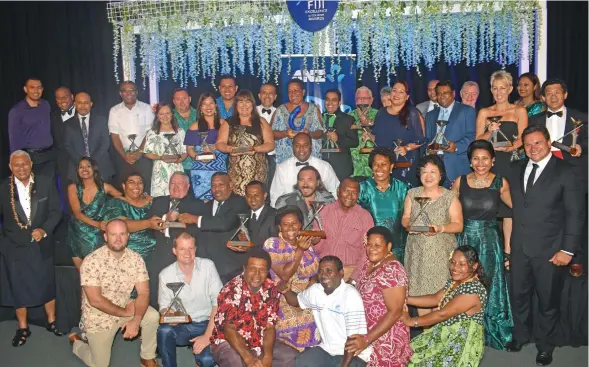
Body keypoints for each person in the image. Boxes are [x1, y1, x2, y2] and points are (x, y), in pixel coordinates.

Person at [506, 125, 585, 366]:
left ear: (549, 142)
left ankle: (545, 344)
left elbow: (576, 214)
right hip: (519, 248)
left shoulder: (567, 171)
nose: (533, 148)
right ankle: (521, 335)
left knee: (548, 300)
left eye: (538, 143)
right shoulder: (515, 169)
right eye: (528, 144)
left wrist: (568, 250)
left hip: (551, 250)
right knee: (518, 296)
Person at [67, 219, 159, 367]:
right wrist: (124, 313)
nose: (118, 239)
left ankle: (147, 357)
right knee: (99, 364)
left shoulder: (136, 259)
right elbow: (95, 300)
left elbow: (144, 292)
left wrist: (136, 320)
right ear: (105, 236)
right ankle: (77, 343)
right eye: (113, 234)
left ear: (128, 236)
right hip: (98, 317)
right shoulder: (91, 261)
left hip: (124, 306)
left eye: (122, 234)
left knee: (152, 316)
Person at [451, 140, 514, 350]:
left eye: (485, 158)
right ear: (470, 162)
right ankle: (464, 331)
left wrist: (508, 248)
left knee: (490, 286)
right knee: (464, 286)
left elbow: (516, 210)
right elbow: (450, 211)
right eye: (475, 158)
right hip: (465, 240)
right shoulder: (460, 182)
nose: (480, 163)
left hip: (489, 242)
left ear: (493, 160)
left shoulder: (500, 182)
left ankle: (491, 331)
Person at [0, 150, 63, 346]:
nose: (21, 168)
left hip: (41, 243)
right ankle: (22, 327)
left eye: (25, 164)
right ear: (10, 167)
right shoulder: (3, 188)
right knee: (19, 288)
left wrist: (44, 230)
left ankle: (52, 322)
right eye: (17, 165)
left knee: (46, 283)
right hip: (15, 247)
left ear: (31, 164)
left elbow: (56, 211)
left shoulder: (45, 182)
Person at [400, 246, 488, 367]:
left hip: (460, 341)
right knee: (410, 355)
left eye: (462, 264)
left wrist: (411, 321)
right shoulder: (456, 281)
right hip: (445, 331)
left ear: (474, 266)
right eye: (453, 262)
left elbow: (443, 313)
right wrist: (404, 299)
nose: (455, 268)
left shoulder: (473, 291)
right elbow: (436, 298)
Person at [281, 256, 372, 367]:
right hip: (328, 350)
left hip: (353, 355)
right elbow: (297, 301)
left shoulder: (350, 295)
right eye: (321, 271)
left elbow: (353, 340)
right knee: (302, 361)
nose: (324, 275)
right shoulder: (316, 291)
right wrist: (286, 291)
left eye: (329, 271)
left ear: (341, 273)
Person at [475, 71, 528, 261]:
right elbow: (477, 141)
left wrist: (512, 146)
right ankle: (487, 250)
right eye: (495, 88)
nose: (499, 92)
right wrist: (489, 131)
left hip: (512, 163)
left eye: (502, 88)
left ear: (510, 89)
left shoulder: (519, 111)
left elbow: (524, 137)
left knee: (509, 210)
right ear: (491, 90)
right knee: (488, 206)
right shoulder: (485, 113)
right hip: (489, 165)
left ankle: (508, 251)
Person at [401, 155, 463, 315]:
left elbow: (458, 225)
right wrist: (409, 226)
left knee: (442, 297)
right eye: (424, 172)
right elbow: (405, 218)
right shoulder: (412, 193)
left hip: (441, 255)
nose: (428, 176)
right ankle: (426, 334)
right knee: (421, 293)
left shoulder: (450, 196)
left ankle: (440, 336)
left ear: (441, 174)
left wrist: (439, 228)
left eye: (432, 172)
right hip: (418, 254)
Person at [345, 226, 413, 367]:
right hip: (367, 330)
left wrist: (366, 339)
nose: (372, 249)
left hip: (384, 338)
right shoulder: (370, 263)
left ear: (389, 247)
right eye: (369, 245)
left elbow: (395, 312)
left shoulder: (393, 271)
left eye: (377, 245)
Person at [262, 206, 321, 363]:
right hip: (284, 299)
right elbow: (284, 275)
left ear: (300, 224)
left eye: (294, 223)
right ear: (279, 227)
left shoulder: (307, 244)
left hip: (308, 297)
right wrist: (300, 251)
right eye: (285, 224)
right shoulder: (273, 245)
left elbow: (314, 273)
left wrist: (312, 287)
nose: (290, 228)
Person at [157, 232, 222, 367]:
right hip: (182, 326)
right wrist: (169, 316)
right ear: (174, 251)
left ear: (195, 249)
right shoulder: (165, 275)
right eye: (182, 249)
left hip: (207, 323)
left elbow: (218, 304)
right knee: (164, 331)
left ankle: (201, 358)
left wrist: (207, 336)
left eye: (190, 248)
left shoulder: (208, 266)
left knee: (206, 360)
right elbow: (163, 306)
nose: (187, 253)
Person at [210, 247, 282, 366]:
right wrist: (249, 359)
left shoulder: (272, 289)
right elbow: (229, 330)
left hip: (258, 342)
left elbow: (269, 327)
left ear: (268, 271)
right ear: (244, 269)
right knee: (235, 360)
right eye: (252, 269)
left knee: (288, 356)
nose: (257, 275)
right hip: (228, 342)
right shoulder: (231, 290)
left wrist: (268, 356)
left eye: (262, 270)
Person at [178, 172, 249, 283]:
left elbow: (225, 223)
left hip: (230, 269)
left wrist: (196, 219)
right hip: (205, 269)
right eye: (213, 185)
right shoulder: (205, 206)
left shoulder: (239, 202)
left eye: (221, 185)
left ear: (230, 186)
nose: (217, 189)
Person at [145, 172, 201, 307]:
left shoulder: (197, 205)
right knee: (155, 292)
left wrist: (182, 224)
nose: (176, 187)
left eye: (180, 183)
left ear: (188, 186)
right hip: (159, 254)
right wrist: (165, 218)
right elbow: (147, 225)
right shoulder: (159, 202)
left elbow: (198, 232)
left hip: (182, 256)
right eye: (172, 183)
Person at [67, 157, 123, 271]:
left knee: (98, 273)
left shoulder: (105, 187)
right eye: (81, 167)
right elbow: (77, 213)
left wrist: (142, 199)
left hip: (96, 235)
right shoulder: (72, 188)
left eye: (88, 166)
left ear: (94, 168)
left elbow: (122, 199)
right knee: (84, 275)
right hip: (77, 233)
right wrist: (97, 224)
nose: (84, 169)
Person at [216, 90, 275, 196]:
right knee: (237, 203)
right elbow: (220, 143)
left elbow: (270, 144)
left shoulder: (261, 122)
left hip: (258, 172)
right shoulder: (227, 122)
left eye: (247, 101)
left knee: (257, 199)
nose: (244, 105)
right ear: (236, 104)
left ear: (252, 104)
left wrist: (256, 149)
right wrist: (230, 149)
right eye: (240, 102)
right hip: (236, 172)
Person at [314, 178, 373, 282]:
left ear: (358, 195)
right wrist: (315, 242)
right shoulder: (324, 212)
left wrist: (353, 279)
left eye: (354, 192)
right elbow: (316, 250)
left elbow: (367, 252)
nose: (349, 196)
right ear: (338, 191)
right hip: (324, 272)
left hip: (350, 271)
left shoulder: (365, 217)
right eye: (345, 191)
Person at [358, 147, 409, 264]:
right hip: (370, 248)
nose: (379, 168)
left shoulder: (403, 188)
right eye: (376, 164)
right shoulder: (362, 188)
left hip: (398, 249)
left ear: (391, 167)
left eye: (384, 164)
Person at [370, 81, 425, 187]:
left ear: (407, 96)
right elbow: (377, 137)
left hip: (406, 166)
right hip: (384, 167)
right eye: (394, 91)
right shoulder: (381, 113)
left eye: (401, 92)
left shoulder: (412, 113)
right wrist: (368, 136)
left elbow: (421, 139)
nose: (396, 94)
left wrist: (407, 148)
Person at [425, 80, 476, 187]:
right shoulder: (430, 115)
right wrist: (428, 149)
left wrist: (456, 146)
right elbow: (428, 139)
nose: (442, 96)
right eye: (439, 93)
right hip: (435, 167)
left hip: (457, 166)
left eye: (445, 93)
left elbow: (472, 136)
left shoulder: (467, 111)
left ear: (453, 94)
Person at [103, 171, 160, 263]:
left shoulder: (151, 203)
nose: (136, 186)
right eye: (131, 182)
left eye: (140, 183)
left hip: (154, 256)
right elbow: (121, 226)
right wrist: (148, 223)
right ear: (124, 186)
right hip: (125, 257)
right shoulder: (116, 203)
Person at [108, 80, 155, 192]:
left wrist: (139, 151)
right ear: (120, 93)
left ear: (136, 92)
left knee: (145, 187)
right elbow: (114, 136)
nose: (128, 93)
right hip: (123, 156)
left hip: (144, 155)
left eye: (131, 90)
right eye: (125, 90)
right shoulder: (114, 111)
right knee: (126, 189)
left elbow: (150, 133)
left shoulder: (146, 108)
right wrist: (124, 155)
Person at [270, 132, 339, 206]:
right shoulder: (282, 168)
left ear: (311, 147)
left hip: (320, 212)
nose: (301, 149)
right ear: (292, 147)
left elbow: (335, 191)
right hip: (291, 212)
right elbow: (275, 197)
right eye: (297, 146)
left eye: (305, 146)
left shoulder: (324, 166)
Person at [184, 92, 229, 200]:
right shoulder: (195, 126)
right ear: (200, 107)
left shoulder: (224, 124)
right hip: (200, 171)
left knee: (221, 200)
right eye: (205, 104)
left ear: (216, 105)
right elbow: (189, 148)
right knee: (202, 202)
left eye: (211, 103)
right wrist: (198, 158)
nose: (208, 107)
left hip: (219, 169)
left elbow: (229, 144)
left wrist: (216, 147)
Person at [8, 77, 55, 178]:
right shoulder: (16, 111)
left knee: (50, 188)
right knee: (34, 189)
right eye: (32, 87)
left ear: (42, 89)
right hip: (31, 157)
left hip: (50, 155)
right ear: (25, 89)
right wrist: (16, 162)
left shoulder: (46, 105)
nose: (36, 91)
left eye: (39, 87)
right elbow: (13, 139)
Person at [64, 92, 114, 183]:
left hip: (101, 165)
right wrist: (82, 164)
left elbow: (105, 143)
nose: (83, 106)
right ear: (74, 104)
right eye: (79, 103)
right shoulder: (68, 124)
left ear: (91, 104)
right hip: (77, 168)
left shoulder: (101, 120)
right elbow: (68, 146)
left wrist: (91, 162)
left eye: (86, 102)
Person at [271, 78, 324, 164]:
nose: (293, 94)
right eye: (290, 91)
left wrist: (309, 133)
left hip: (311, 159)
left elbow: (321, 132)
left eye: (296, 90)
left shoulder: (314, 109)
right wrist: (285, 133)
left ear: (303, 92)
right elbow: (271, 133)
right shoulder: (280, 110)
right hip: (286, 160)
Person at [143, 102, 188, 197]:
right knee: (161, 199)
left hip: (177, 169)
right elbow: (147, 153)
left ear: (172, 114)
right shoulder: (152, 132)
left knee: (179, 196)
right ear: (157, 116)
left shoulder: (180, 131)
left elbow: (185, 151)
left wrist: (180, 159)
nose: (165, 116)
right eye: (161, 114)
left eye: (168, 113)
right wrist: (160, 157)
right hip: (160, 171)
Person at [321, 89, 358, 180]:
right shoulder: (319, 118)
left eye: (334, 100)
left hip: (341, 167)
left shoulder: (348, 119)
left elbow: (354, 142)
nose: (330, 102)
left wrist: (339, 138)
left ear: (339, 102)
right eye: (327, 99)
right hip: (321, 165)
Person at [51, 86, 76, 209]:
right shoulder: (52, 117)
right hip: (63, 162)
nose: (62, 100)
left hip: (82, 158)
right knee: (67, 193)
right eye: (58, 98)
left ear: (72, 97)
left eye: (65, 96)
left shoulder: (83, 112)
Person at [349, 87, 379, 177]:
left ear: (371, 100)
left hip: (373, 166)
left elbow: (384, 136)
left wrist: (365, 119)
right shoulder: (349, 116)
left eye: (365, 98)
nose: (362, 101)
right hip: (354, 167)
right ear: (355, 101)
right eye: (359, 98)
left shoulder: (379, 115)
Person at [257, 83, 279, 192]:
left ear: (275, 97)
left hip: (275, 157)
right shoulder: (250, 112)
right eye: (264, 93)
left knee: (273, 188)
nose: (267, 96)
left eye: (270, 93)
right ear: (259, 96)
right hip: (256, 156)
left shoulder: (281, 112)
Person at [245, 180, 278, 248]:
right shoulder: (243, 216)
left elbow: (275, 243)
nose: (252, 199)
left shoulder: (274, 215)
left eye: (256, 195)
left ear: (265, 195)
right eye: (249, 196)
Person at [172, 88, 197, 174]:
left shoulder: (200, 115)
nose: (181, 102)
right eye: (178, 99)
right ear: (174, 102)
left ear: (189, 99)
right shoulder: (168, 117)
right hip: (177, 165)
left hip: (199, 164)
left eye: (184, 98)